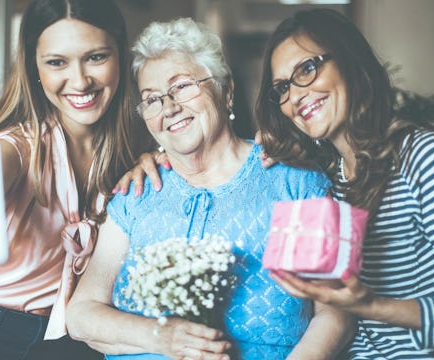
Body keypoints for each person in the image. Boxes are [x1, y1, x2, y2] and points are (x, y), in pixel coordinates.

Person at [67, 17, 355, 360]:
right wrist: (162, 337)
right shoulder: (136, 194)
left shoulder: (293, 184)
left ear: (226, 90)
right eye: (153, 99)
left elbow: (335, 312)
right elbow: (81, 314)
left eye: (183, 86)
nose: (169, 107)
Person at [254, 8, 434, 359]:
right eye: (282, 88)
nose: (296, 95)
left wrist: (372, 305)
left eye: (307, 68)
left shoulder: (424, 159)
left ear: (349, 62)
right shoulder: (323, 179)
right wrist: (156, 158)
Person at [0, 0, 153, 359]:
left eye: (96, 57)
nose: (80, 80)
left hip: (72, 338)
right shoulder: (18, 147)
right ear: (34, 67)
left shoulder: (134, 149)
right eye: (57, 62)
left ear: (120, 55)